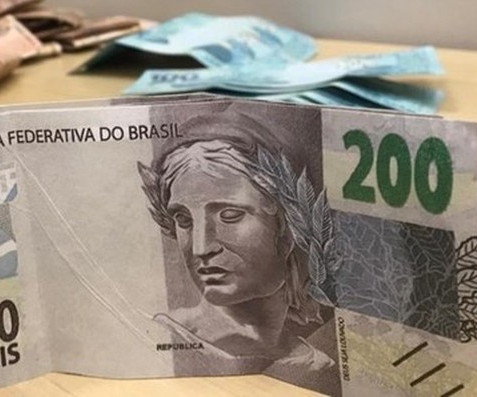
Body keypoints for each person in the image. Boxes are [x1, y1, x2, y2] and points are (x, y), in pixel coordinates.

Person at [137, 107, 338, 390]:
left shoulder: (317, 364)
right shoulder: (164, 336)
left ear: (289, 225)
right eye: (183, 219)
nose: (201, 248)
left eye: (229, 215)